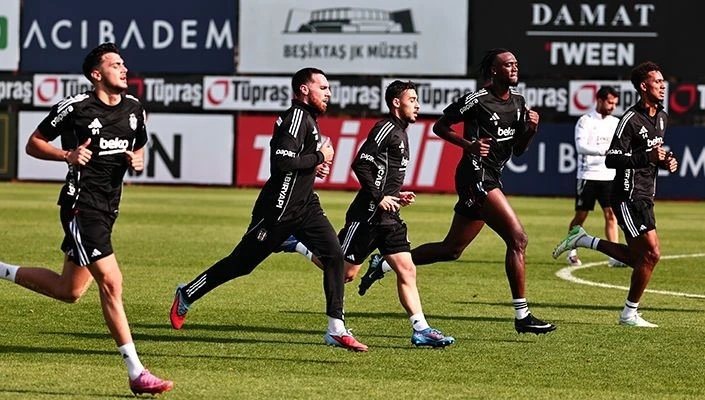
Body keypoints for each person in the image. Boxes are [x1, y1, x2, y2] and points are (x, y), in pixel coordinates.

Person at [0, 43, 173, 395]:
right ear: (96, 74)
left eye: (123, 63)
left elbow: (139, 144)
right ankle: (136, 372)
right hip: (81, 206)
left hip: (109, 209)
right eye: (114, 64)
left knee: (70, 291)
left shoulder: (135, 108)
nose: (123, 68)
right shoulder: (75, 107)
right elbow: (33, 143)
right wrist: (67, 154)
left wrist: (137, 159)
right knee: (112, 282)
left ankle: (1, 270)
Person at [355, 48, 556, 335]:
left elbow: (519, 151)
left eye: (516, 63)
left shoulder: (519, 103)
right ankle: (522, 315)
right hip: (475, 176)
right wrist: (469, 145)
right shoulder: (477, 100)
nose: (514, 68)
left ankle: (384, 263)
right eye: (507, 64)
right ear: (494, 71)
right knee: (518, 238)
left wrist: (531, 131)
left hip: (492, 175)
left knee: (451, 250)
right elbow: (440, 126)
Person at [169, 67, 368, 352]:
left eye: (328, 88)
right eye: (323, 87)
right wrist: (319, 156)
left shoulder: (309, 119)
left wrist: (315, 166)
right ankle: (188, 292)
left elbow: (298, 162)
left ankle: (335, 329)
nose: (329, 93)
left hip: (305, 206)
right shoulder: (295, 118)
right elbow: (281, 163)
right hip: (277, 210)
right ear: (303, 89)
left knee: (335, 255)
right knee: (241, 264)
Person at [279, 81, 455, 347]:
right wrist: (379, 197)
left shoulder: (401, 132)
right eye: (412, 100)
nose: (417, 105)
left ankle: (421, 329)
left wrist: (396, 195)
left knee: (407, 269)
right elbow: (360, 163)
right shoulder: (386, 127)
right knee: (344, 273)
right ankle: (297, 244)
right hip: (368, 216)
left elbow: (383, 174)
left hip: (389, 217)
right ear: (396, 103)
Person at [553, 61, 678, 328]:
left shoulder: (662, 116)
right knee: (652, 254)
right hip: (628, 194)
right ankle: (629, 313)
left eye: (663, 81)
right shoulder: (630, 120)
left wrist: (665, 160)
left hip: (646, 193)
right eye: (657, 81)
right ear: (643, 86)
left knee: (639, 258)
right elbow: (612, 158)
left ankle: (584, 240)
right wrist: (647, 157)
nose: (662, 85)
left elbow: (651, 155)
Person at [564, 86, 625, 268]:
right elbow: (580, 147)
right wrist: (603, 151)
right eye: (610, 102)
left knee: (611, 214)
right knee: (581, 216)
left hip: (609, 175)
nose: (613, 106)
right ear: (599, 100)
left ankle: (615, 255)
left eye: (615, 103)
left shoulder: (616, 123)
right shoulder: (585, 121)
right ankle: (571, 251)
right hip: (588, 175)